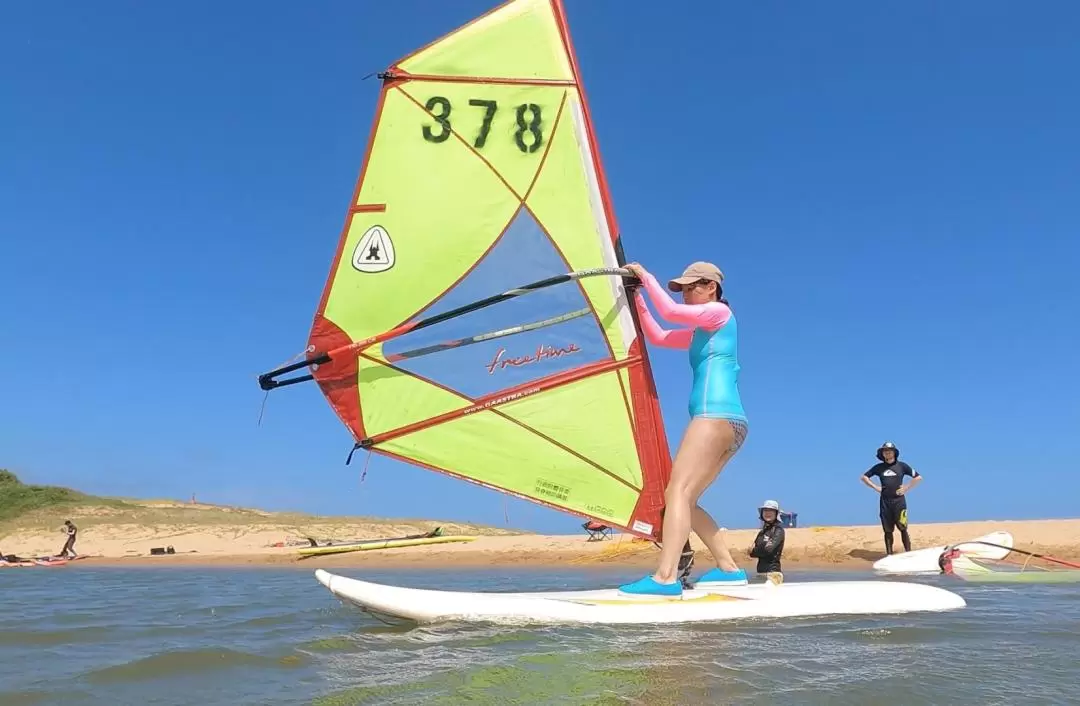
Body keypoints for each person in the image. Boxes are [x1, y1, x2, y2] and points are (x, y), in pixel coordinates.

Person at [618, 261, 749, 596]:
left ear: (712, 288)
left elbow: (672, 312)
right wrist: (636, 297)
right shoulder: (701, 332)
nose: (688, 293)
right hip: (731, 423)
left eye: (693, 287)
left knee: (675, 492)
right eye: (684, 288)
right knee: (686, 500)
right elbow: (659, 336)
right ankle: (729, 569)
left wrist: (645, 277)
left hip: (713, 416)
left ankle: (665, 577)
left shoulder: (718, 313)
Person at [860, 441, 922, 555]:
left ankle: (909, 553)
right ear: (882, 454)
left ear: (894, 453)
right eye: (885, 451)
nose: (887, 453)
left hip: (899, 501)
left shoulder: (902, 466)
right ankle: (889, 554)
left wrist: (906, 487)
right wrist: (875, 487)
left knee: (902, 527)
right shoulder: (879, 468)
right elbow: (864, 477)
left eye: (890, 451)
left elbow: (918, 477)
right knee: (888, 530)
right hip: (885, 502)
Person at [749, 500, 785, 579]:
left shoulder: (778, 530)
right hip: (760, 573)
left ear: (776, 514)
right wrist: (756, 550)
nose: (767, 513)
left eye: (771, 511)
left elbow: (768, 550)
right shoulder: (761, 532)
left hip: (773, 574)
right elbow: (751, 553)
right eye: (765, 510)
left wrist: (756, 550)